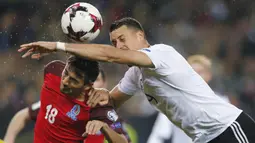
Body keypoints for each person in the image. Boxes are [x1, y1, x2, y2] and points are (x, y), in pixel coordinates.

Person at [18, 17, 255, 143]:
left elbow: (109, 56)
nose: (119, 46)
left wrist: (58, 46)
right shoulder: (135, 75)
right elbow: (110, 104)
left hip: (228, 128)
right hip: (204, 138)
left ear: (140, 35)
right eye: (114, 42)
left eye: (122, 39)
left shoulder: (162, 54)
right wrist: (101, 99)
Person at [12, 56, 129, 143]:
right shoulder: (53, 69)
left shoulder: (97, 106)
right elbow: (24, 114)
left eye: (73, 80)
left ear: (87, 86)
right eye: (66, 73)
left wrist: (104, 127)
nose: (65, 81)